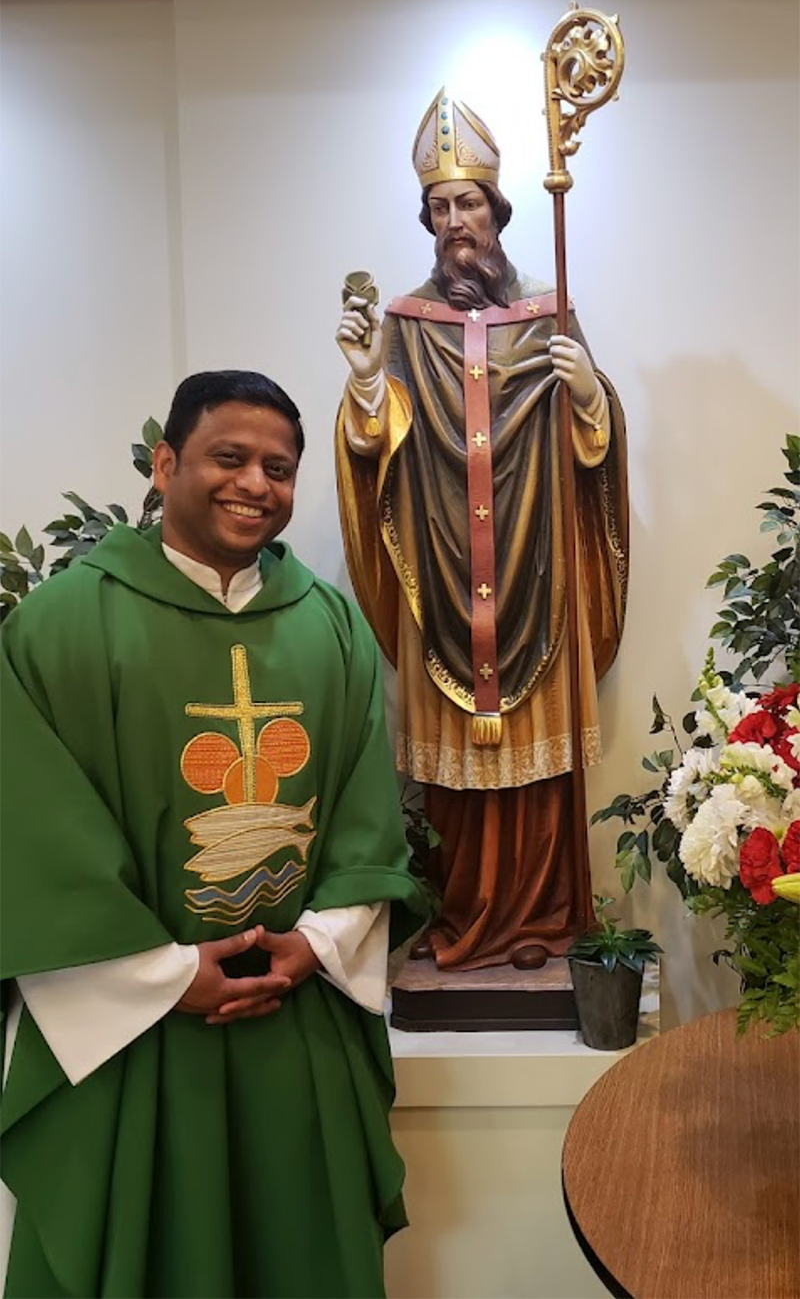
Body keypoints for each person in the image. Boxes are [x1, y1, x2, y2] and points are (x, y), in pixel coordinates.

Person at [0, 370, 428, 1299]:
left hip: (292, 1014)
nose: (255, 485)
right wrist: (162, 976)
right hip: (136, 1037)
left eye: (278, 468)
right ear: (166, 464)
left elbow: (364, 821)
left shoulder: (331, 626)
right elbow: (34, 838)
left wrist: (314, 946)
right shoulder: (62, 624)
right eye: (227, 459)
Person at [335, 88, 628, 973]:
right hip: (442, 579)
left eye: (468, 202)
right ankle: (464, 923)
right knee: (454, 785)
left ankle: (543, 920)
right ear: (425, 218)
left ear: (498, 210)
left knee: (541, 780)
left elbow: (596, 454)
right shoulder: (404, 324)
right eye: (439, 205)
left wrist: (588, 395)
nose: (455, 219)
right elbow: (375, 444)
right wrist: (362, 383)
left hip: (540, 569)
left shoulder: (548, 312)